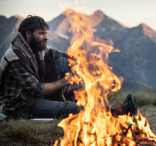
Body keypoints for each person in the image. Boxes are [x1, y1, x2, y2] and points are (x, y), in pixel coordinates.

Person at [0, 15, 137, 119]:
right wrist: (65, 81)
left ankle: (79, 103)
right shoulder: (15, 58)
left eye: (46, 33)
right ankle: (116, 112)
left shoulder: (36, 48)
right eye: (41, 33)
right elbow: (36, 89)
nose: (45, 37)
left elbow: (69, 58)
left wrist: (71, 74)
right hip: (23, 105)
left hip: (35, 95)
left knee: (63, 62)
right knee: (67, 108)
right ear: (28, 34)